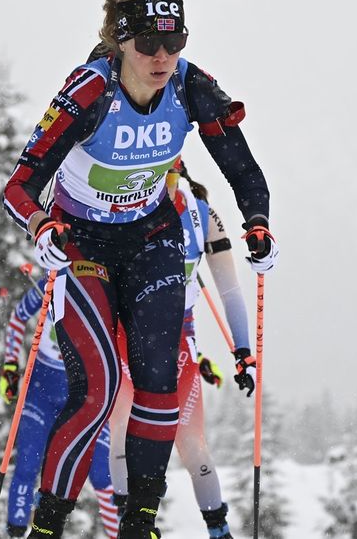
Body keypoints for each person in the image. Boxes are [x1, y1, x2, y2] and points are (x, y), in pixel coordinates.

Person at [2, 0, 277, 539]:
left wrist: (257, 225)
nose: (163, 57)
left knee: (159, 387)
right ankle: (48, 526)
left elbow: (243, 169)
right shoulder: (89, 91)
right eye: (149, 44)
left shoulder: (189, 86)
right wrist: (41, 224)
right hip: (82, 243)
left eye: (174, 44)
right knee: (98, 390)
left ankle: (140, 522)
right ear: (121, 41)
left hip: (152, 237)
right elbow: (20, 184)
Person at [109, 161, 255, 539]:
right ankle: (144, 526)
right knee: (153, 437)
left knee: (160, 439)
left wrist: (244, 350)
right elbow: (231, 292)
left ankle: (212, 529)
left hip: (153, 340)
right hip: (151, 337)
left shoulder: (199, 210)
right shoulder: (186, 207)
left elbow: (231, 290)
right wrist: (243, 352)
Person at [0, 276, 119, 538]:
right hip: (41, 390)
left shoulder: (105, 284)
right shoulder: (48, 283)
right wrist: (10, 366)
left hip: (85, 393)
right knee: (27, 467)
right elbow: (18, 318)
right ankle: (16, 533)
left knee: (102, 475)